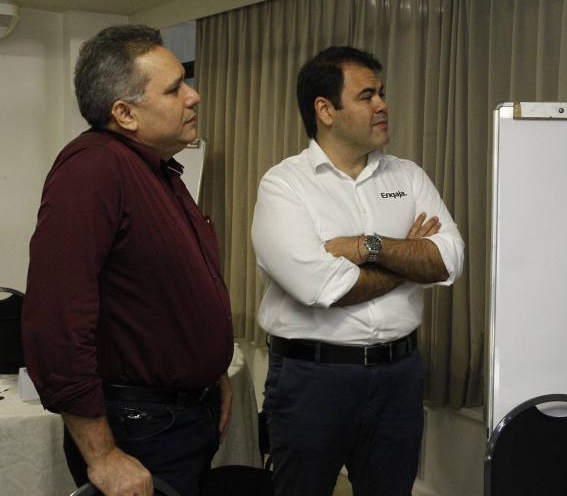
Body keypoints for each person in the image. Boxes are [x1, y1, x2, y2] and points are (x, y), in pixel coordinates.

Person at [22, 25, 234, 496]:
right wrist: (101, 455)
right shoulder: (93, 169)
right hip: (140, 427)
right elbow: (55, 320)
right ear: (124, 113)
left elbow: (164, 294)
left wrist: (211, 371)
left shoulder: (156, 170)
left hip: (179, 415)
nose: (194, 96)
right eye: (175, 88)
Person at [251, 46, 464, 495]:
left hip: (398, 376)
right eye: (367, 96)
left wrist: (369, 246)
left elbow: (448, 259)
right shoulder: (284, 185)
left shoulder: (407, 176)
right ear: (325, 110)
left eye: (381, 93)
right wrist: (408, 260)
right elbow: (323, 286)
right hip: (312, 380)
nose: (383, 105)